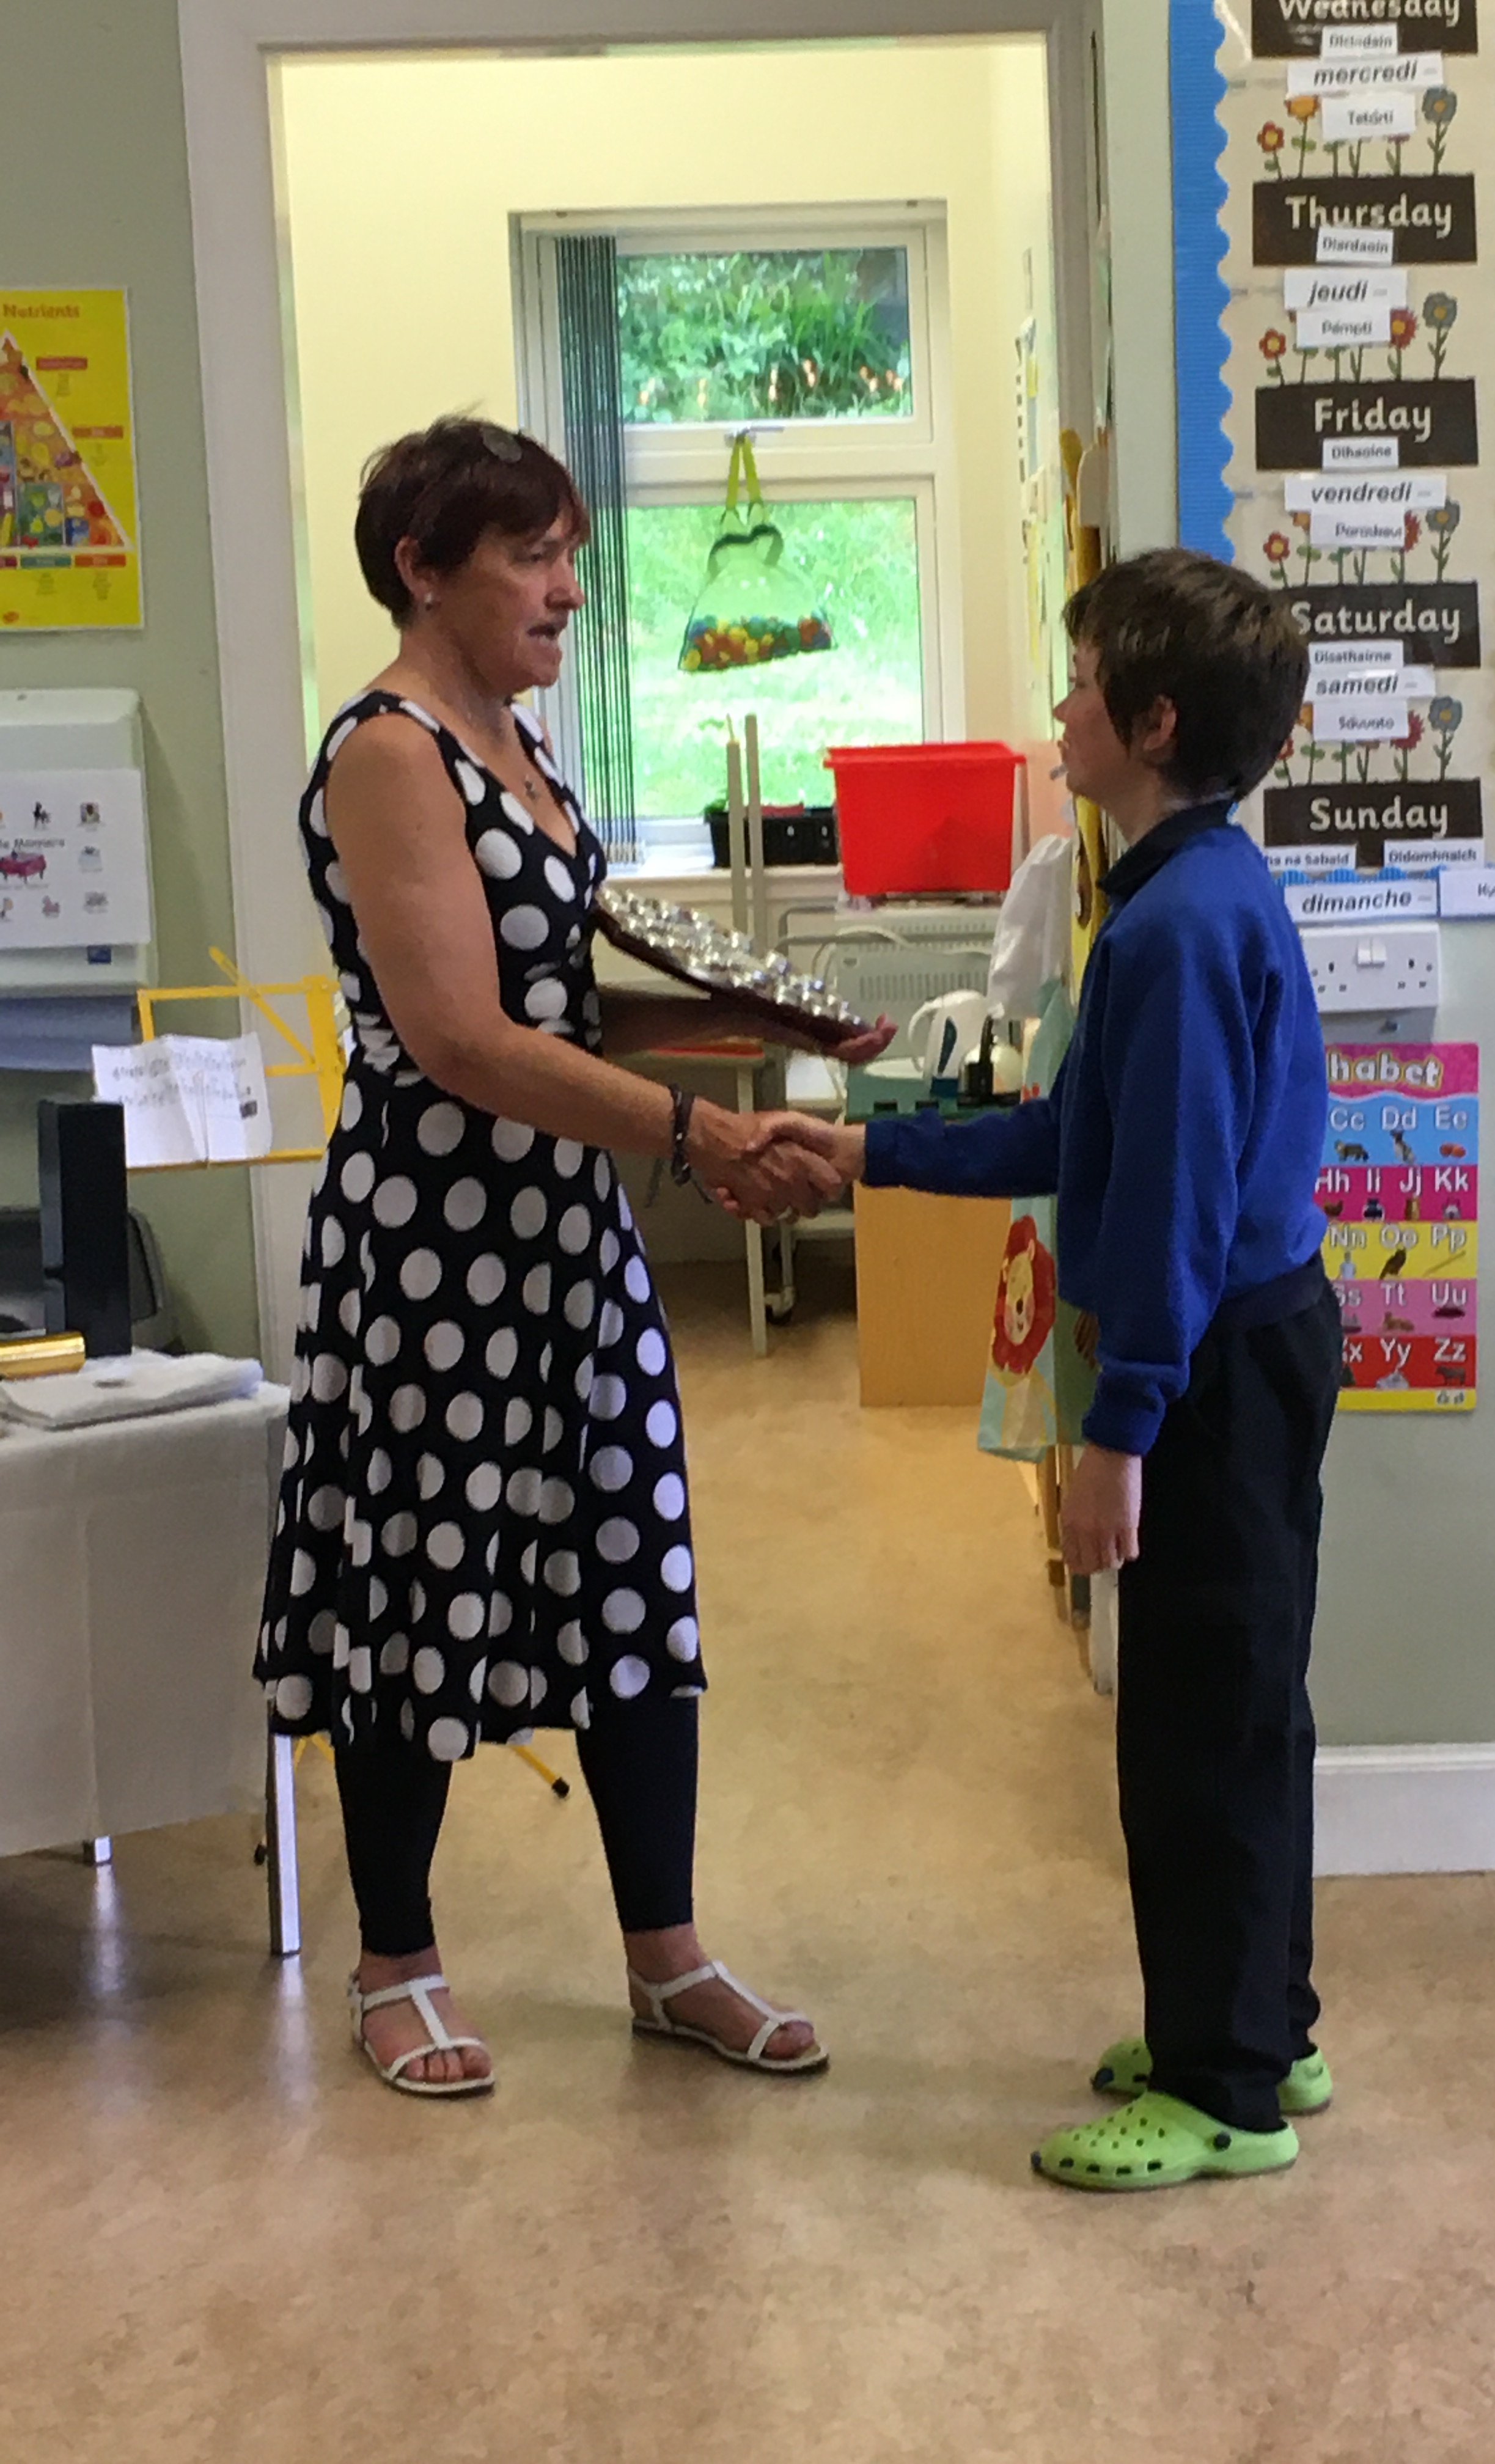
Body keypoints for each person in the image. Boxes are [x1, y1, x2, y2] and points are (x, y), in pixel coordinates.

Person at [255, 416, 887, 2099]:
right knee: (423, 1583)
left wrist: (766, 1033)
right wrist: (695, 1135)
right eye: (532, 557)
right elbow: (460, 1038)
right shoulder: (390, 751)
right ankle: (396, 1964)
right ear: (422, 570)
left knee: (630, 1573)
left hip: (566, 1234)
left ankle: (667, 1956)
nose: (568, 590)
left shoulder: (520, 740)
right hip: (435, 1245)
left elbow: (561, 1007)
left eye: (572, 556)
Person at [756, 549, 1339, 2188]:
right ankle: (1260, 2024)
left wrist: (1121, 1432)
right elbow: (1077, 1134)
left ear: (1152, 724)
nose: (1059, 714)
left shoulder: (1176, 928)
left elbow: (1167, 1203)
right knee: (1241, 1703)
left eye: (1080, 688)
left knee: (1199, 1729)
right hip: (1246, 1338)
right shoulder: (1181, 889)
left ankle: (1224, 2093)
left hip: (1212, 1362)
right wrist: (864, 1152)